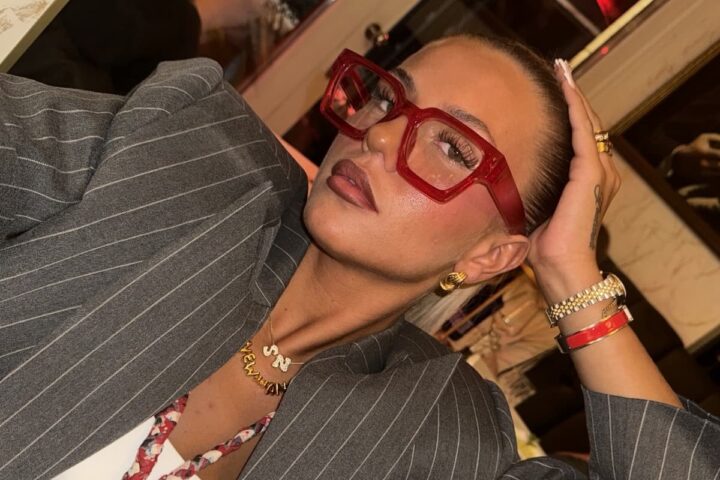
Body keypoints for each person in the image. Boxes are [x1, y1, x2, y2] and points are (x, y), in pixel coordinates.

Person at [0, 34, 717, 479]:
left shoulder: (440, 431)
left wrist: (573, 278)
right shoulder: (191, 163)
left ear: (492, 254)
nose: (378, 135)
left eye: (452, 145)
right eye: (390, 101)